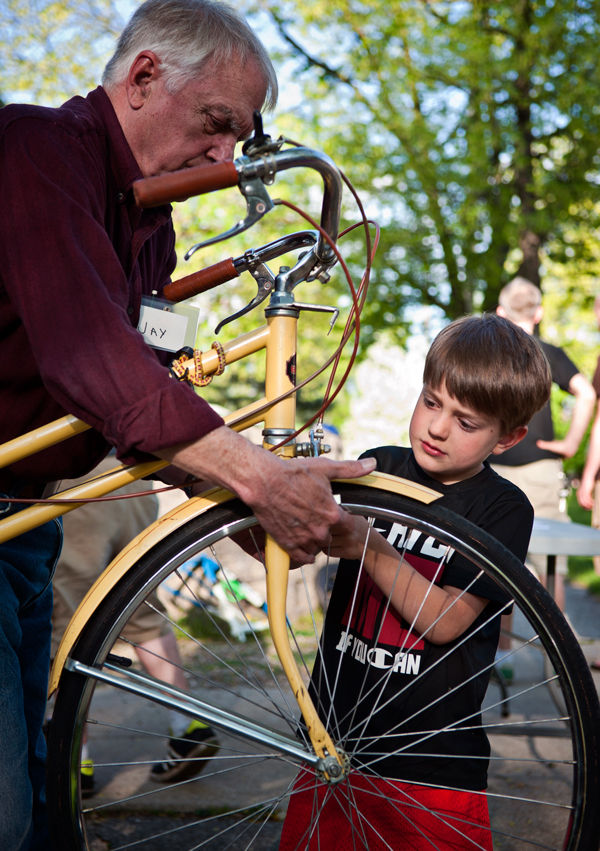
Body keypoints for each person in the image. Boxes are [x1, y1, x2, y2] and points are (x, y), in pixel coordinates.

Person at [0, 2, 374, 848]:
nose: (225, 157)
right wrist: (251, 473)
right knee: (7, 807)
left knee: (39, 779)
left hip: (27, 527)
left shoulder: (150, 227)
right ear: (142, 79)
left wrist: (227, 488)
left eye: (240, 137)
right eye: (216, 125)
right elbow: (90, 357)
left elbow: (141, 388)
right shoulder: (33, 149)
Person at [279, 315, 552, 851]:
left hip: (430, 764)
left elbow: (448, 620)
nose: (437, 428)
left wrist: (369, 546)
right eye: (431, 402)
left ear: (508, 438)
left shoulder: (502, 510)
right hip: (334, 739)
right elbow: (297, 550)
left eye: (466, 422)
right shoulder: (378, 471)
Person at [49, 455, 219, 798]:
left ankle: (74, 759)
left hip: (77, 477)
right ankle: (186, 726)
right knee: (143, 613)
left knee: (69, 624)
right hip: (135, 478)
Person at [491, 278, 595, 615]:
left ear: (500, 312)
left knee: (493, 564)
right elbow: (588, 393)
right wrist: (570, 443)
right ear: (539, 312)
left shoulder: (488, 355)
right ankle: (556, 660)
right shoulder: (548, 353)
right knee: (552, 567)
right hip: (540, 469)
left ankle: (499, 659)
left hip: (491, 467)